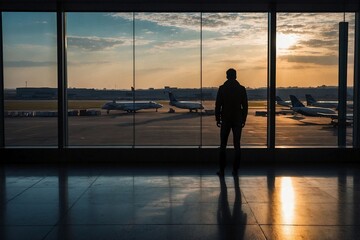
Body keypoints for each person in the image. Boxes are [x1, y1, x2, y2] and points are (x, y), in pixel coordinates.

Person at [215, 68, 248, 177]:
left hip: (226, 119)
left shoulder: (222, 89)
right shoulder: (242, 89)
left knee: (223, 146)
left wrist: (217, 118)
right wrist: (243, 119)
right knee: (237, 145)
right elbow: (245, 106)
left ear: (226, 76)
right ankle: (235, 169)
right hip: (237, 119)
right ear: (236, 76)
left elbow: (218, 105)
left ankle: (222, 170)